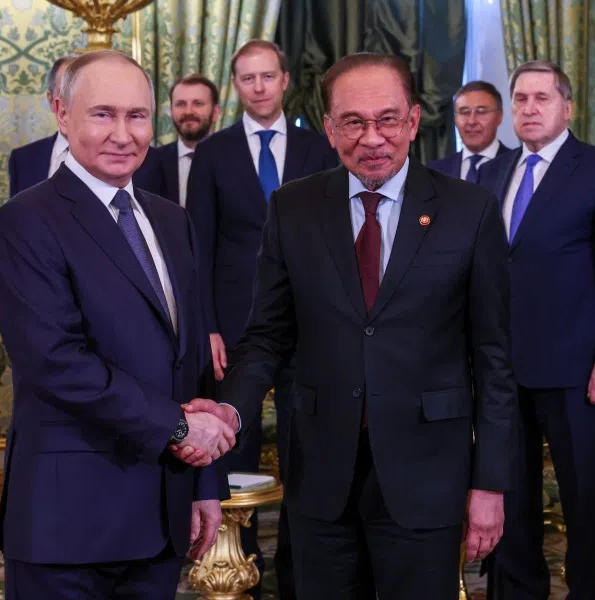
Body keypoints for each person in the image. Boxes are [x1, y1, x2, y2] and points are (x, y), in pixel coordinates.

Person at [181, 52, 517, 599]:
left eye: (387, 119)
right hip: (320, 470)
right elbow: (266, 335)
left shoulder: (469, 210)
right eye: (354, 122)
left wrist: (490, 483)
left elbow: (495, 360)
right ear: (330, 128)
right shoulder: (293, 208)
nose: (372, 138)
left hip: (427, 470)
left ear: (412, 122)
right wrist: (229, 409)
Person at [0, 50, 235, 599]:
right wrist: (177, 427)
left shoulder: (173, 220)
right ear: (61, 113)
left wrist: (205, 484)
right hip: (69, 521)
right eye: (103, 114)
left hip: (162, 512)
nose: (124, 134)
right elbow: (55, 363)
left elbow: (191, 360)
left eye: (138, 116)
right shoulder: (25, 222)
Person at [477, 60, 595, 599]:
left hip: (576, 368)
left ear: (566, 107)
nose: (529, 108)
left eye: (541, 98)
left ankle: (585, 592)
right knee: (512, 490)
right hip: (503, 368)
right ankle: (520, 588)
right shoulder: (493, 172)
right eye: (520, 99)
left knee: (582, 494)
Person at [186, 39, 338, 599]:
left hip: (310, 323)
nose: (258, 87)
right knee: (235, 446)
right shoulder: (214, 153)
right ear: (237, 87)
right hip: (234, 326)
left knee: (307, 450)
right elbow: (195, 246)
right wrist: (206, 326)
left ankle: (299, 573)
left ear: (283, 79)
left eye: (267, 76)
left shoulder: (319, 149)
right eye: (246, 78)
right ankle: (236, 565)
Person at [133, 74, 221, 206]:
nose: (188, 111)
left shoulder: (235, 159)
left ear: (215, 112)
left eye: (198, 104)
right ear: (171, 111)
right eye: (180, 104)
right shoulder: (148, 162)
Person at [7, 54, 77, 197]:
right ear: (52, 101)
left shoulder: (121, 158)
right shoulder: (23, 159)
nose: (75, 101)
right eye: (66, 92)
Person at [427, 81, 512, 181]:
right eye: (464, 112)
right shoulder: (435, 171)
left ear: (499, 116)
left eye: (481, 112)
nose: (471, 121)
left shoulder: (515, 166)